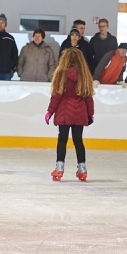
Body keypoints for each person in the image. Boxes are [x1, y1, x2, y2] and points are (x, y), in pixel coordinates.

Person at [46, 48, 94, 182]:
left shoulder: (61, 74)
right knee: (78, 140)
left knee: (62, 139)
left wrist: (50, 111)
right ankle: (82, 169)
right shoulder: (84, 75)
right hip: (80, 112)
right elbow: (88, 97)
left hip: (64, 111)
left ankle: (59, 168)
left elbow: (57, 95)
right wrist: (91, 114)